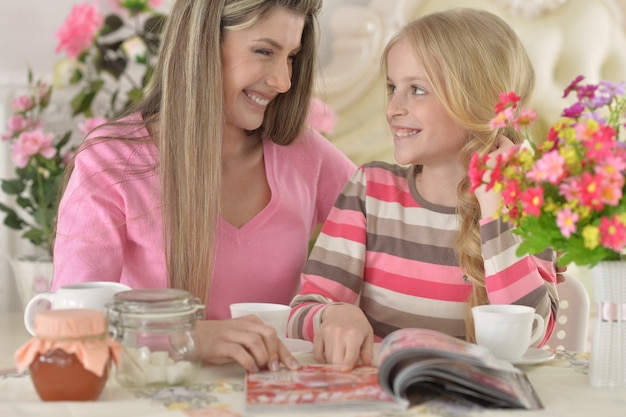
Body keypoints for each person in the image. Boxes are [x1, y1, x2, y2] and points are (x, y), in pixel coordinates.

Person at [51, 0, 356, 373]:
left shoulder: (305, 154)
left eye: (291, 56)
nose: (283, 80)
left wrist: (342, 314)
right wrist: (188, 336)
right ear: (198, 45)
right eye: (264, 51)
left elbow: (392, 229)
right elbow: (69, 328)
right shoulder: (110, 163)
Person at [287, 8, 559, 371]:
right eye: (391, 88)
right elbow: (301, 311)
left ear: (477, 102)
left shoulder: (527, 206)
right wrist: (332, 315)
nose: (393, 108)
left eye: (416, 90)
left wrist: (496, 211)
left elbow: (532, 336)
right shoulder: (370, 191)